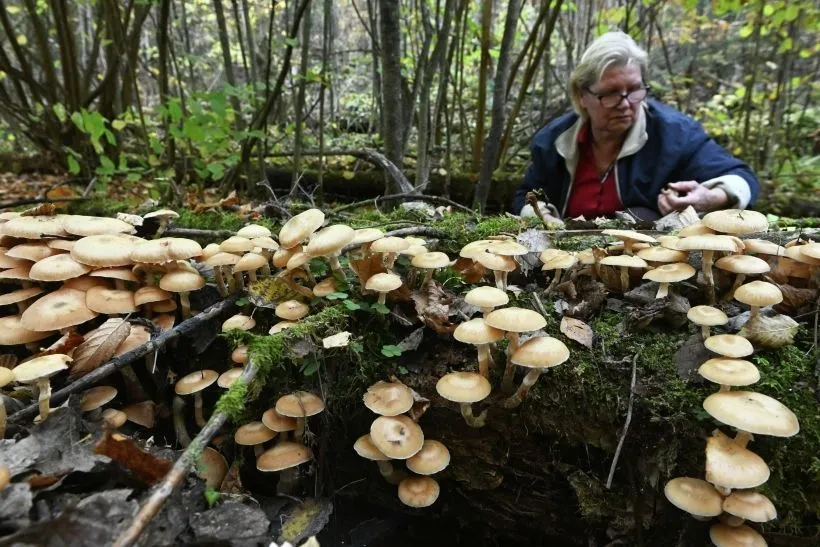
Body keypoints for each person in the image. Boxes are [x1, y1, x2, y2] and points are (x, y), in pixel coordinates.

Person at [513, 31, 759, 221]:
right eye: (610, 93)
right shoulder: (555, 142)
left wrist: (710, 198)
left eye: (633, 90)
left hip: (650, 269)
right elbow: (523, 196)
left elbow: (742, 179)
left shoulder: (674, 134)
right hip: (563, 262)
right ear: (581, 96)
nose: (625, 104)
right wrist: (537, 214)